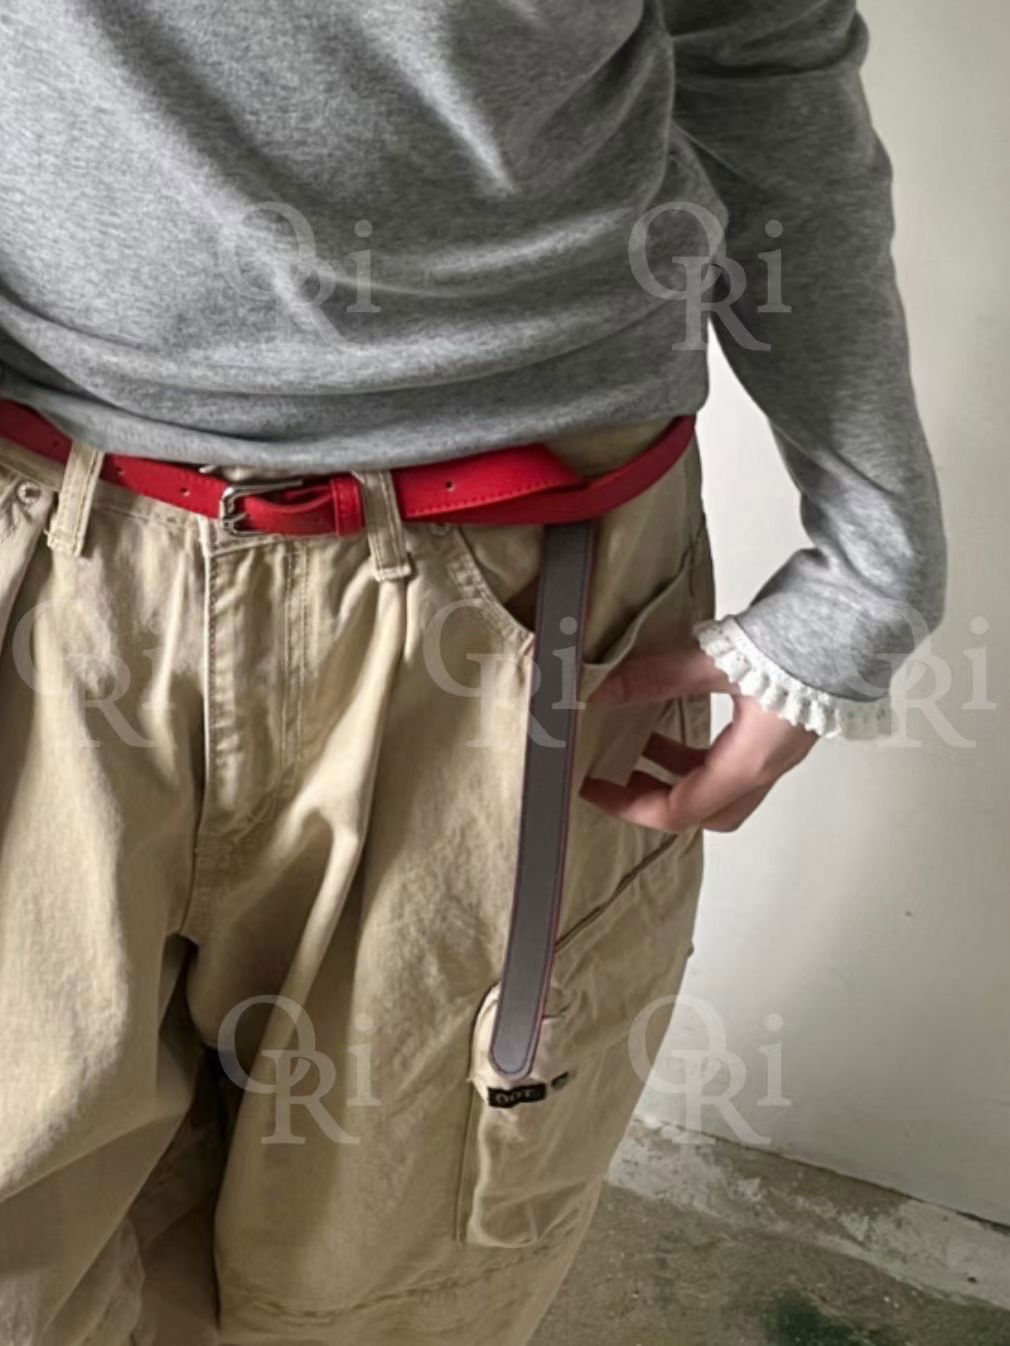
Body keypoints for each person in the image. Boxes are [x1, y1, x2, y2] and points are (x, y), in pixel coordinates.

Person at [0, 1, 946, 1343]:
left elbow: (750, 40)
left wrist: (875, 559)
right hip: (44, 538)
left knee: (403, 1282)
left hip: (530, 577)